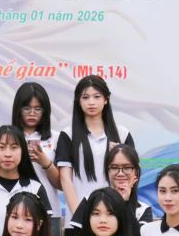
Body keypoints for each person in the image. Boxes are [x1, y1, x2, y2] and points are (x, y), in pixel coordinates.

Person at [56, 76, 134, 215]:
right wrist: (78, 216)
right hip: (78, 215)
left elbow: (131, 176)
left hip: (113, 214)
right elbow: (65, 179)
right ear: (78, 101)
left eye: (97, 97)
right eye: (85, 97)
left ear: (106, 99)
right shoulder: (68, 135)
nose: (91, 102)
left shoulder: (122, 134)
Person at [64, 144, 152, 236]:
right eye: (114, 168)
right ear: (107, 171)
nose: (120, 173)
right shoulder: (89, 201)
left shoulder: (143, 210)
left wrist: (124, 203)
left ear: (136, 172)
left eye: (127, 167)